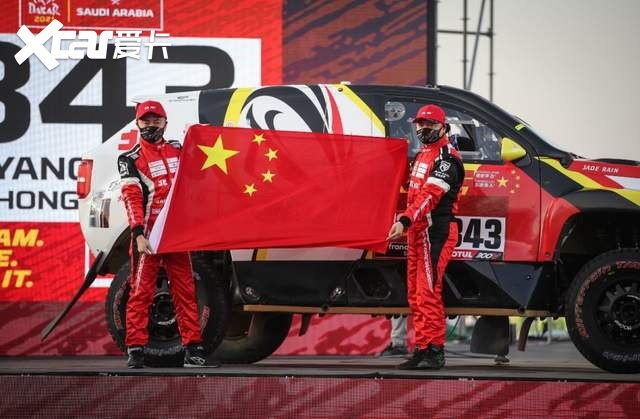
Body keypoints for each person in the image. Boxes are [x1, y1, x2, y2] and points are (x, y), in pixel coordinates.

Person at [118, 100, 212, 369]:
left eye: (156, 120)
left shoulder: (179, 150)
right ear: (137, 123)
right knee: (141, 293)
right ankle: (136, 350)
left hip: (176, 236)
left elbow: (202, 172)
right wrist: (138, 233)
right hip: (148, 238)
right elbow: (131, 197)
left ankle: (193, 350)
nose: (151, 126)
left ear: (165, 122)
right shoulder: (129, 159)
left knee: (186, 292)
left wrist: (207, 136)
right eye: (145, 121)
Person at [387, 104, 464, 370]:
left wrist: (404, 220)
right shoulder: (422, 154)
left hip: (436, 232)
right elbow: (411, 190)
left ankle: (435, 351)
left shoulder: (447, 158)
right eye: (420, 124)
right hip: (417, 233)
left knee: (428, 292)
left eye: (430, 124)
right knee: (415, 295)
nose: (423, 128)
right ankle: (422, 348)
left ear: (443, 127)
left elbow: (430, 195)